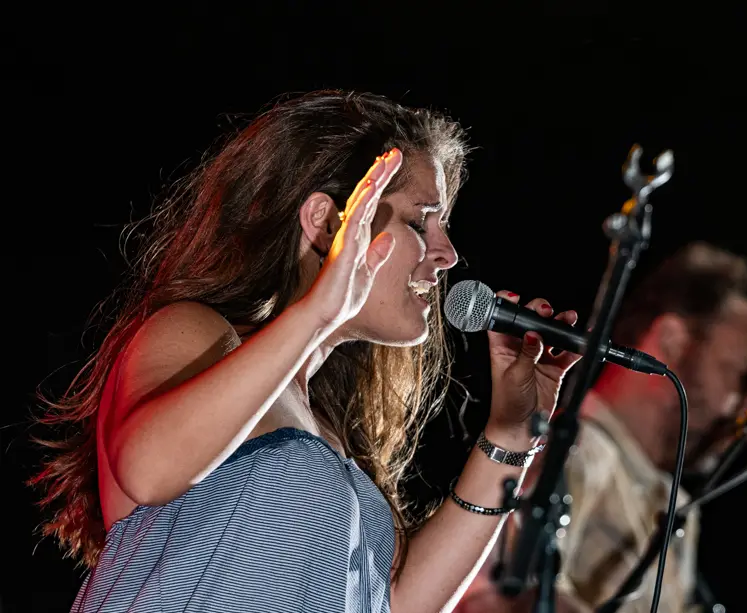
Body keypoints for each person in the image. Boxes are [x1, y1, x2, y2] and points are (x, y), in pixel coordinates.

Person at [29, 91, 583, 613]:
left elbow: (396, 602)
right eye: (420, 221)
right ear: (325, 224)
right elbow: (148, 469)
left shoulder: (326, 425)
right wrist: (319, 312)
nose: (447, 254)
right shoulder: (194, 333)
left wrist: (511, 436)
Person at [457, 242, 747, 613]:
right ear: (671, 340)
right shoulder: (576, 450)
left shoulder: (678, 504)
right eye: (744, 379)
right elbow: (488, 599)